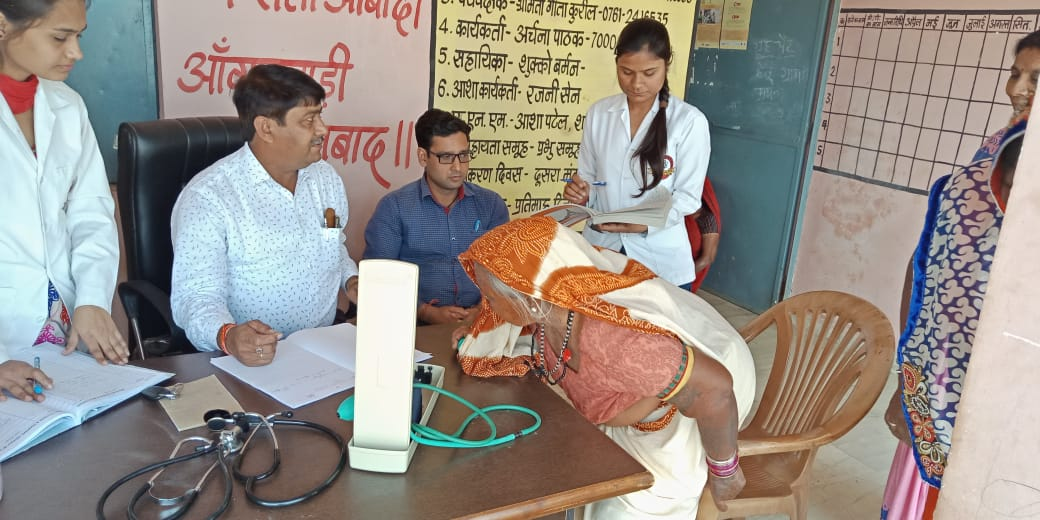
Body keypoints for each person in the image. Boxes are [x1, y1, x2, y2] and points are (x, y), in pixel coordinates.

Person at [453, 216, 756, 519]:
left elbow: (715, 393)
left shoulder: (616, 341)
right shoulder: (556, 292)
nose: (487, 306)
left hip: (690, 412)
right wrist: (472, 324)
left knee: (617, 507)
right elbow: (504, 312)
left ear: (532, 299)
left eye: (491, 297)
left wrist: (724, 470)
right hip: (638, 398)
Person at [880, 29, 1039, 520]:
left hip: (1003, 375)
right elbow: (945, 257)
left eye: (1036, 77)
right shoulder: (1000, 145)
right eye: (1016, 74)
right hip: (944, 354)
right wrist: (913, 372)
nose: (1017, 88)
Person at [170, 64, 359, 366]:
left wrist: (351, 280)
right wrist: (229, 336)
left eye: (320, 116)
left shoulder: (325, 178)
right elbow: (196, 297)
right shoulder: (210, 197)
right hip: (247, 363)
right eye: (309, 120)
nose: (322, 129)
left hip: (323, 351)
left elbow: (333, 244)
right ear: (266, 128)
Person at [1, 0, 127, 401]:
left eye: (79, 35)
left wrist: (91, 300)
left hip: (65, 324)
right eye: (60, 37)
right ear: (2, 25)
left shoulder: (67, 105)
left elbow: (91, 212)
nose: (76, 53)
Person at [564, 18, 710, 290]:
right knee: (597, 332)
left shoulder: (689, 121)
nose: (636, 83)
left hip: (660, 260)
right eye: (626, 72)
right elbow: (590, 180)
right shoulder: (599, 113)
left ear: (667, 65)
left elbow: (688, 198)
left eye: (649, 72)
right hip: (602, 252)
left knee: (655, 332)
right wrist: (581, 193)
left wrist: (643, 225)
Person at [363, 109, 509, 324]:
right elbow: (378, 279)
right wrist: (425, 312)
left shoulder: (490, 204)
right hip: (413, 325)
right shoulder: (395, 207)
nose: (458, 167)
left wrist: (483, 309)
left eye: (464, 155)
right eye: (446, 157)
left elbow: (504, 270)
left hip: (481, 322)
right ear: (423, 156)